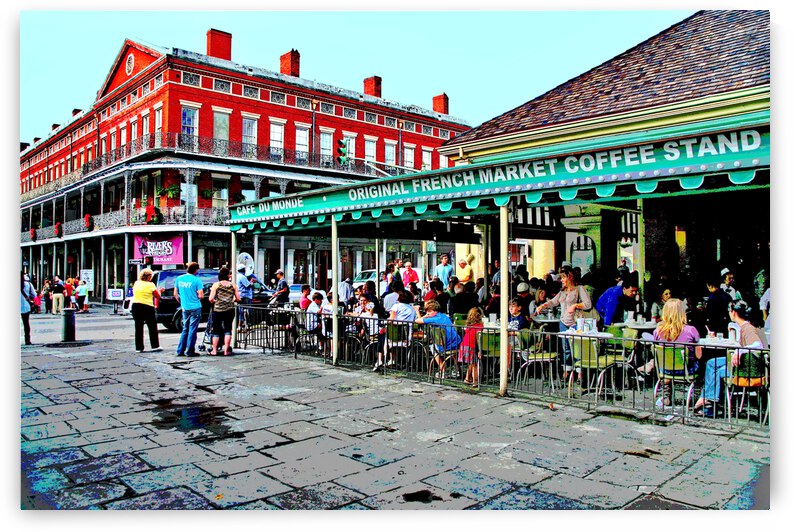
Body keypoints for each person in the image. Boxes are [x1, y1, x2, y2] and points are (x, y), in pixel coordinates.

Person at [694, 300, 763, 415]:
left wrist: (739, 351)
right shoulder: (744, 327)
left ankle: (710, 401)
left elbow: (758, 345)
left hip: (747, 368)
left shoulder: (747, 328)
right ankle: (709, 398)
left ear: (733, 312)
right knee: (712, 363)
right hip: (745, 363)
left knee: (717, 371)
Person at [636, 299, 702, 406]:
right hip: (687, 370)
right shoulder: (691, 330)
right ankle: (702, 399)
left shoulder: (657, 331)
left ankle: (666, 396)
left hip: (665, 370)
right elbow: (699, 356)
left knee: (666, 363)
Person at [535, 266, 592, 380]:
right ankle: (567, 371)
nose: (561, 280)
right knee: (565, 347)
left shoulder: (579, 289)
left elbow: (588, 304)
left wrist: (575, 305)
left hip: (575, 322)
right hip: (563, 321)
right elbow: (554, 302)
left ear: (569, 277)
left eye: (563, 277)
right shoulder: (562, 292)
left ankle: (579, 372)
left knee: (577, 348)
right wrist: (543, 305)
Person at [416, 299, 461, 379]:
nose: (427, 313)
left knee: (432, 347)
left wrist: (418, 311)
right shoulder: (443, 316)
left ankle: (443, 369)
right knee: (453, 353)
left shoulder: (434, 319)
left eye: (429, 311)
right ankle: (456, 368)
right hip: (456, 342)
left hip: (445, 345)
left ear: (434, 311)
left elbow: (417, 320)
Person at [373, 290, 417, 371]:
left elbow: (391, 320)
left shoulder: (396, 306)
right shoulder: (412, 309)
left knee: (382, 337)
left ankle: (380, 360)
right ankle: (392, 360)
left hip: (394, 336)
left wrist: (385, 321)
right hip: (407, 336)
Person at [174, 262, 205, 357]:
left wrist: (182, 302)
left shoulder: (179, 279)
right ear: (196, 270)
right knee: (193, 329)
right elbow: (201, 295)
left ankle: (180, 350)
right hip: (195, 307)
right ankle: (190, 350)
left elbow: (175, 294)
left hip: (185, 307)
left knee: (185, 329)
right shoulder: (197, 280)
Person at [208, 267, 240, 356]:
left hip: (218, 309)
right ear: (227, 275)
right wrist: (232, 300)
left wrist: (215, 301)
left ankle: (214, 350)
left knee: (216, 330)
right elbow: (238, 298)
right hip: (229, 309)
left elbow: (210, 298)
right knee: (227, 329)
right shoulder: (233, 285)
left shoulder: (216, 285)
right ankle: (226, 350)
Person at [131, 268, 164, 353]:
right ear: (149, 277)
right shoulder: (151, 285)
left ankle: (139, 347)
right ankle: (155, 346)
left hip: (136, 306)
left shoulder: (136, 283)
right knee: (152, 326)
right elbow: (157, 296)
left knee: (138, 327)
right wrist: (160, 291)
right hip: (147, 306)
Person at [458, 307, 484, 387]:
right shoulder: (480, 326)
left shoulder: (468, 325)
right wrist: (480, 350)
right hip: (472, 346)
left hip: (464, 344)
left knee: (471, 363)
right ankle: (475, 381)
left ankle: (467, 378)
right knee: (475, 364)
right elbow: (478, 338)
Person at [20, 273, 37, 346]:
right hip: (25, 306)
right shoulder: (28, 284)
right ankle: (27, 340)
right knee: (26, 323)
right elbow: (34, 295)